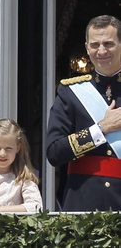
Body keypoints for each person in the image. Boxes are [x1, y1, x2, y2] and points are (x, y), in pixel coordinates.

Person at [46, 15, 121, 211]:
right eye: (95, 45)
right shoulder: (70, 92)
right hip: (84, 204)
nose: (101, 51)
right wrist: (101, 129)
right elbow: (54, 153)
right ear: (87, 48)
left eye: (109, 44)